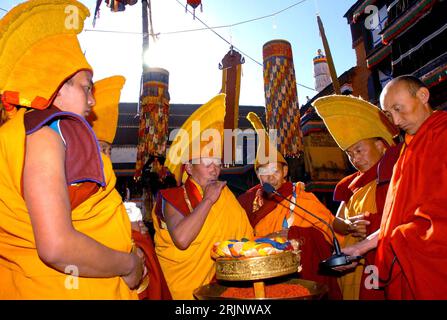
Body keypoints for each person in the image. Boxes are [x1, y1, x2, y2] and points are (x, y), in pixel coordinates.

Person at [0, 0, 144, 299]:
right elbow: (56, 246)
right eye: (86, 87)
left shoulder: (20, 133)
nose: (92, 100)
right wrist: (128, 264)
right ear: (56, 85)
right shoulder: (44, 132)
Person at [341, 75, 447, 299]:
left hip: (434, 268)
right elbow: (398, 217)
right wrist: (362, 247)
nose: (396, 121)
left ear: (423, 95)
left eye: (399, 109)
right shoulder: (405, 153)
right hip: (407, 263)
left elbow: (438, 216)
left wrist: (399, 238)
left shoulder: (442, 135)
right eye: (389, 114)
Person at [151, 94, 253, 299]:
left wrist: (270, 242)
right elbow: (181, 239)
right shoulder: (173, 197)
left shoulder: (227, 198)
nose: (214, 167)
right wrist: (208, 200)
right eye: (207, 161)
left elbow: (246, 240)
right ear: (188, 167)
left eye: (217, 161)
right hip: (181, 293)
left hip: (222, 289)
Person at [237, 112, 343, 299]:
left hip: (300, 274)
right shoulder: (247, 202)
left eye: (274, 170)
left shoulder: (303, 198)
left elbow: (330, 231)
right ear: (257, 175)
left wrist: (294, 236)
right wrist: (266, 240)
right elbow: (238, 241)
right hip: (261, 275)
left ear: (285, 170)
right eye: (263, 172)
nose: (269, 177)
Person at [89, 75, 172, 299]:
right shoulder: (62, 184)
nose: (104, 158)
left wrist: (134, 235)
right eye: (98, 149)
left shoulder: (106, 191)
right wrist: (130, 256)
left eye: (107, 151)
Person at [313, 95, 401, 299]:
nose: (355, 159)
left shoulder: (396, 173)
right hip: (352, 261)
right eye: (350, 154)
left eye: (359, 150)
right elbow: (337, 223)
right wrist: (349, 226)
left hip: (378, 262)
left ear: (381, 145)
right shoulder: (351, 186)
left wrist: (372, 228)